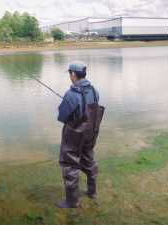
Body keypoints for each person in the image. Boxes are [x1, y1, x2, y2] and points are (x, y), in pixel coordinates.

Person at [55, 61, 105, 208]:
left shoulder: (71, 94)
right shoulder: (95, 91)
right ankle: (91, 191)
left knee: (70, 164)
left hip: (74, 136)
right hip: (91, 134)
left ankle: (72, 202)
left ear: (73, 74)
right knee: (88, 157)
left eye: (70, 74)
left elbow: (62, 117)